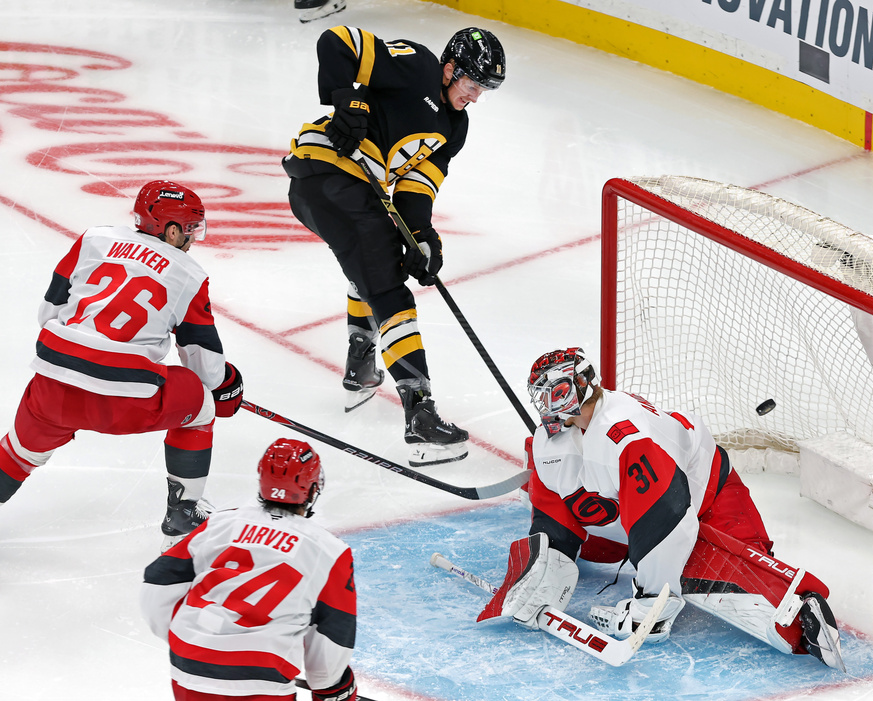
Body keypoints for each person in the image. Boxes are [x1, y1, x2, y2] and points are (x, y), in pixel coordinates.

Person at [478, 348, 846, 671]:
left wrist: (652, 606)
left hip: (709, 499)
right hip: (626, 519)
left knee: (712, 568)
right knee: (551, 468)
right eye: (542, 399)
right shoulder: (554, 438)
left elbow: (667, 518)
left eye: (557, 395)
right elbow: (555, 500)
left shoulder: (627, 437)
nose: (549, 408)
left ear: (584, 385)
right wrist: (544, 568)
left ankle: (801, 615)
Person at [282, 25, 506, 467]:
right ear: (449, 68)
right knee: (388, 289)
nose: (475, 96)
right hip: (328, 172)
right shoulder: (416, 65)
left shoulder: (453, 128)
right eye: (472, 83)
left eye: (484, 89)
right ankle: (419, 413)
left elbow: (415, 189)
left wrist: (422, 235)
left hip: (341, 193)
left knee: (371, 264)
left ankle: (361, 362)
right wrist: (346, 96)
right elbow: (337, 42)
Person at [0, 181, 244, 551]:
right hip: (125, 400)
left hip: (53, 385)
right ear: (172, 229)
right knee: (201, 405)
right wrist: (228, 385)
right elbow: (206, 371)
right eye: (191, 229)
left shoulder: (93, 240)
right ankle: (183, 513)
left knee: (18, 454)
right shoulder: (189, 274)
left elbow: (48, 314)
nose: (193, 239)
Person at [141, 438, 359, 701]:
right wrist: (333, 686)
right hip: (261, 676)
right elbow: (334, 629)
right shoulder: (329, 550)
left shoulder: (222, 524)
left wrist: (194, 639)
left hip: (190, 665)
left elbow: (158, 580)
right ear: (312, 489)